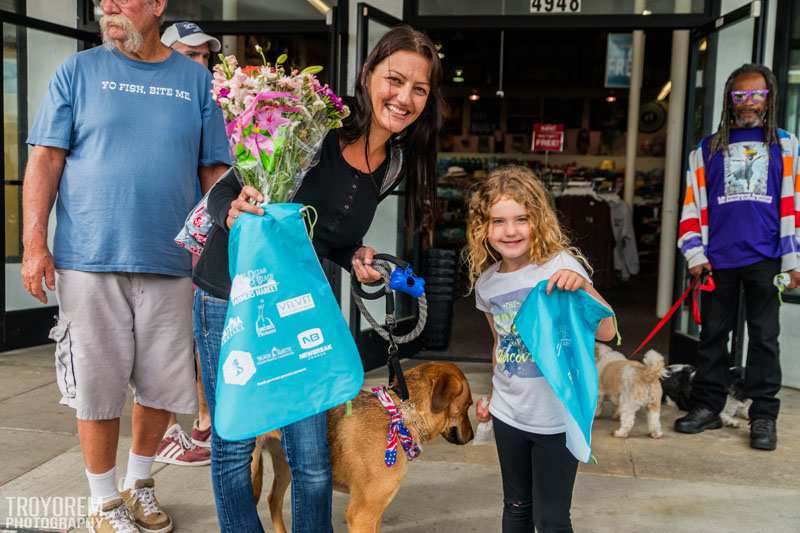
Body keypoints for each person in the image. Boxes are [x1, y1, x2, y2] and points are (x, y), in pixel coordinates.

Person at [191, 25, 443, 533]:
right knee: (235, 441)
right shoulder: (313, 128)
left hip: (302, 307)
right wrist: (235, 210)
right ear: (369, 74)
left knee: (311, 455)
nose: (405, 97)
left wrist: (356, 258)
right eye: (395, 80)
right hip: (232, 294)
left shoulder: (391, 163)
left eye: (419, 89)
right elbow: (225, 190)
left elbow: (328, 237)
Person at [21, 0, 231, 531]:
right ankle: (102, 501)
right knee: (97, 387)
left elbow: (213, 168)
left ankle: (139, 484)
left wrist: (229, 238)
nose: (107, 7)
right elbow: (45, 158)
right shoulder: (79, 70)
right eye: (102, 0)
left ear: (158, 5)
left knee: (162, 385)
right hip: (89, 259)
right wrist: (33, 243)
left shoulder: (193, 81)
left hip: (172, 260)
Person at [468, 165, 616, 533]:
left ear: (538, 219)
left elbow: (608, 331)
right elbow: (500, 344)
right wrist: (492, 394)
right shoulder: (487, 284)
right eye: (498, 221)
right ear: (482, 227)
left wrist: (582, 287)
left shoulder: (561, 266)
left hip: (556, 417)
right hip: (508, 414)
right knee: (516, 507)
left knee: (551, 519)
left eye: (521, 218)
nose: (510, 230)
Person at [675, 64, 800, 451]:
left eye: (756, 95)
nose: (748, 103)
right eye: (740, 95)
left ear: (769, 99)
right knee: (713, 335)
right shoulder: (707, 149)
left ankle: (763, 414)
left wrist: (793, 260)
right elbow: (692, 205)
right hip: (718, 259)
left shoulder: (786, 145)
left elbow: (795, 204)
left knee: (765, 338)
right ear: (729, 99)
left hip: (766, 256)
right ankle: (708, 406)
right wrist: (695, 253)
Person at [150, 21, 223, 467]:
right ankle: (179, 425)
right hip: (165, 241)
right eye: (189, 54)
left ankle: (205, 419)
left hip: (209, 235)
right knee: (171, 335)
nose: (200, 64)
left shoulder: (216, 106)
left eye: (205, 57)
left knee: (203, 331)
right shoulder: (159, 104)